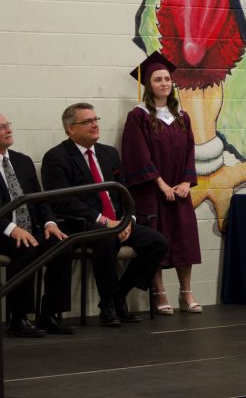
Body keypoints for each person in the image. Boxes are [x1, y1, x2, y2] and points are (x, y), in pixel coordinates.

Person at [41, 103, 168, 326]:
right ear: (71, 128)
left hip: (118, 221)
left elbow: (125, 192)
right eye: (87, 121)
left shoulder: (109, 153)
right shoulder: (56, 157)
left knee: (157, 242)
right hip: (83, 224)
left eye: (96, 119)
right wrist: (104, 220)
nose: (94, 125)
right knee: (106, 238)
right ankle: (108, 304)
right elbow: (62, 201)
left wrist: (128, 220)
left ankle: (119, 294)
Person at [121, 52, 202, 314]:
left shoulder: (182, 116)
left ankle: (186, 293)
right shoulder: (139, 115)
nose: (164, 83)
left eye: (167, 79)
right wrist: (161, 184)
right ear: (149, 84)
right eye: (158, 79)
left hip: (179, 190)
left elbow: (190, 150)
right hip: (152, 191)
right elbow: (138, 154)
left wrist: (186, 182)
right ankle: (159, 293)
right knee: (157, 239)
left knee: (184, 239)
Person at [0, 112, 73, 337]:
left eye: (8, 124)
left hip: (28, 229)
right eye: (2, 127)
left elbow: (40, 199)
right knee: (26, 246)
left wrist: (50, 222)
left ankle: (49, 314)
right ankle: (18, 318)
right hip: (3, 231)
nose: (8, 129)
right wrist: (12, 229)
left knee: (62, 244)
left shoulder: (22, 161)